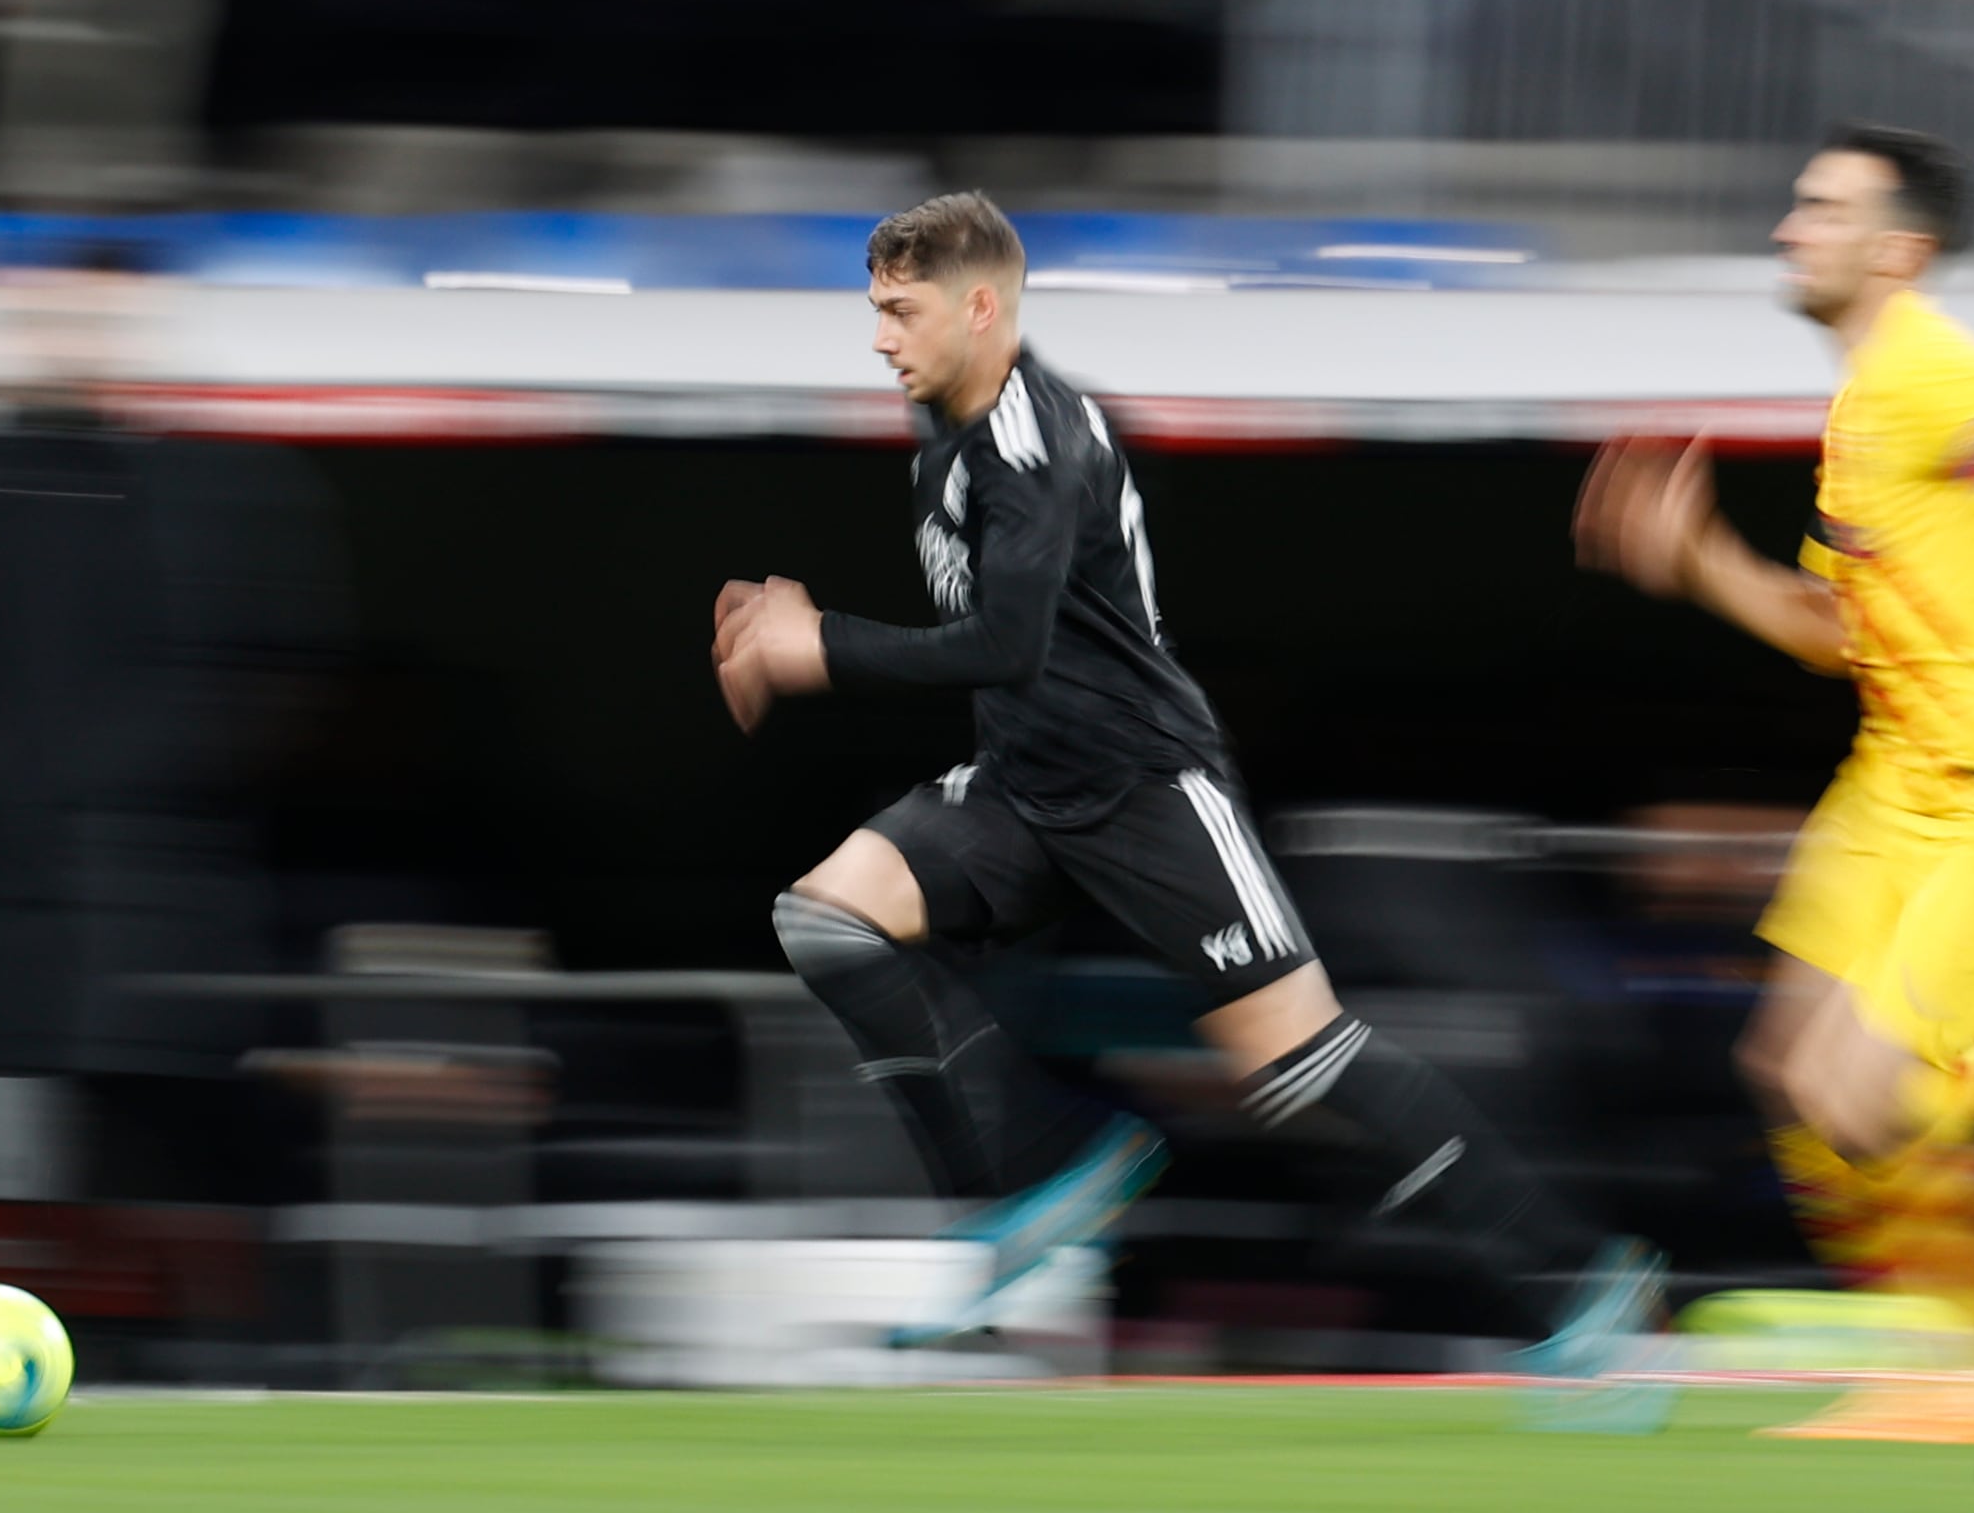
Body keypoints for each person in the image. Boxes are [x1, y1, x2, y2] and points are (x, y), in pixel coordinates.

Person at [712, 193, 1661, 1403]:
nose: (881, 339)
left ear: (981, 307)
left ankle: (1582, 1295)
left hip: (1142, 785)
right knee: (828, 918)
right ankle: (1039, 1179)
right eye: (876, 312)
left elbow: (1006, 640)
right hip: (1024, 782)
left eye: (901, 313)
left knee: (1301, 1065)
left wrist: (817, 644)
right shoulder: (946, 421)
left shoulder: (1030, 440)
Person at [1575, 126, 1974, 1445]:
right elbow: (1831, 624)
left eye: (1820, 208)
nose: (1788, 228)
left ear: (1897, 249)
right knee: (1788, 1073)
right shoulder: (1869, 406)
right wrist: (1695, 561)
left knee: (1858, 1098)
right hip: (1898, 775)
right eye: (1794, 203)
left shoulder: (1932, 372)